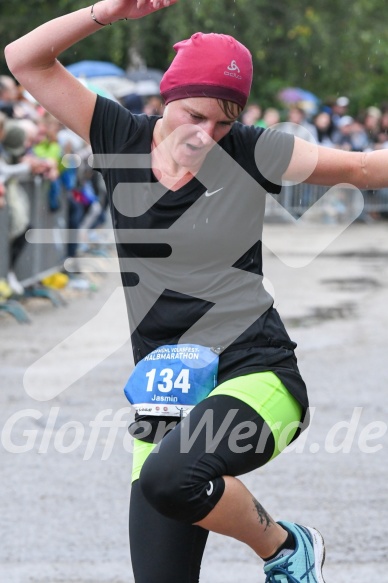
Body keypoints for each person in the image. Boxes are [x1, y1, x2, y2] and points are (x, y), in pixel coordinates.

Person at [5, 2, 388, 582]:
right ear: (166, 97)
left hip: (257, 376)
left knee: (169, 476)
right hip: (165, 400)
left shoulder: (252, 150)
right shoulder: (117, 135)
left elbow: (361, 168)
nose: (206, 134)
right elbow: (24, 60)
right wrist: (107, 12)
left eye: (223, 122)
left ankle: (286, 548)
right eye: (194, 114)